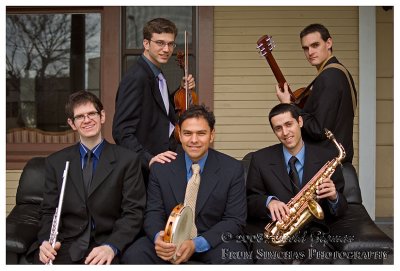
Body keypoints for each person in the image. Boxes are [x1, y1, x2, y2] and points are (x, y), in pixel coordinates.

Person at [122, 105, 251, 264]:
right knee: (134, 255)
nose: (194, 140)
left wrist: (197, 244)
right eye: (187, 133)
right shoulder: (162, 168)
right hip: (169, 241)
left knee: (238, 259)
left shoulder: (232, 169)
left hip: (212, 242)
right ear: (179, 135)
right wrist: (158, 238)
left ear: (212, 135)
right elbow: (153, 213)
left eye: (201, 133)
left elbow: (234, 220)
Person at [30, 91, 146, 264]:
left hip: (106, 243)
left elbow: (134, 212)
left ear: (102, 116)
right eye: (80, 116)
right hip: (66, 243)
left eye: (92, 113)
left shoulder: (127, 160)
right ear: (72, 123)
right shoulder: (56, 162)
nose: (87, 120)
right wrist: (46, 241)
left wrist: (112, 246)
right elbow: (49, 211)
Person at [246, 103, 348, 264]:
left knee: (320, 257)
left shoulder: (327, 157)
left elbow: (342, 208)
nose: (285, 133)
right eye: (278, 128)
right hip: (275, 234)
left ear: (300, 122)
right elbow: (249, 200)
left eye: (288, 124)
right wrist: (268, 202)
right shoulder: (260, 159)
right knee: (267, 260)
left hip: (311, 234)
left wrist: (334, 196)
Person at [112, 18, 195, 182]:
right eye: (160, 43)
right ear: (146, 43)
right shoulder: (136, 78)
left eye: (170, 44)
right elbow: (121, 131)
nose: (166, 49)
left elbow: (160, 110)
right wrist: (148, 159)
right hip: (146, 171)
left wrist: (181, 91)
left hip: (164, 163)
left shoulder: (156, 73)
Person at [276, 23, 357, 164]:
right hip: (336, 159)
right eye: (305, 48)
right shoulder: (340, 73)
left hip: (328, 164)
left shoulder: (329, 76)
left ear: (329, 43)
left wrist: (288, 105)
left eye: (315, 45)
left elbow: (319, 129)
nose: (310, 52)